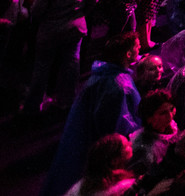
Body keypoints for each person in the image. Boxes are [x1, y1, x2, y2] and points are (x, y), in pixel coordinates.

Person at [44, 33, 143, 196]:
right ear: (128, 53)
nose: (139, 49)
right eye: (137, 47)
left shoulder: (102, 75)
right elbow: (115, 124)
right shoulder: (118, 86)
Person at [26, 0, 99, 115]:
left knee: (42, 65)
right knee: (71, 64)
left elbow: (37, 8)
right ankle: (67, 101)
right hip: (75, 27)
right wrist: (79, 14)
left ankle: (34, 104)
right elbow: (94, 1)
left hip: (50, 29)